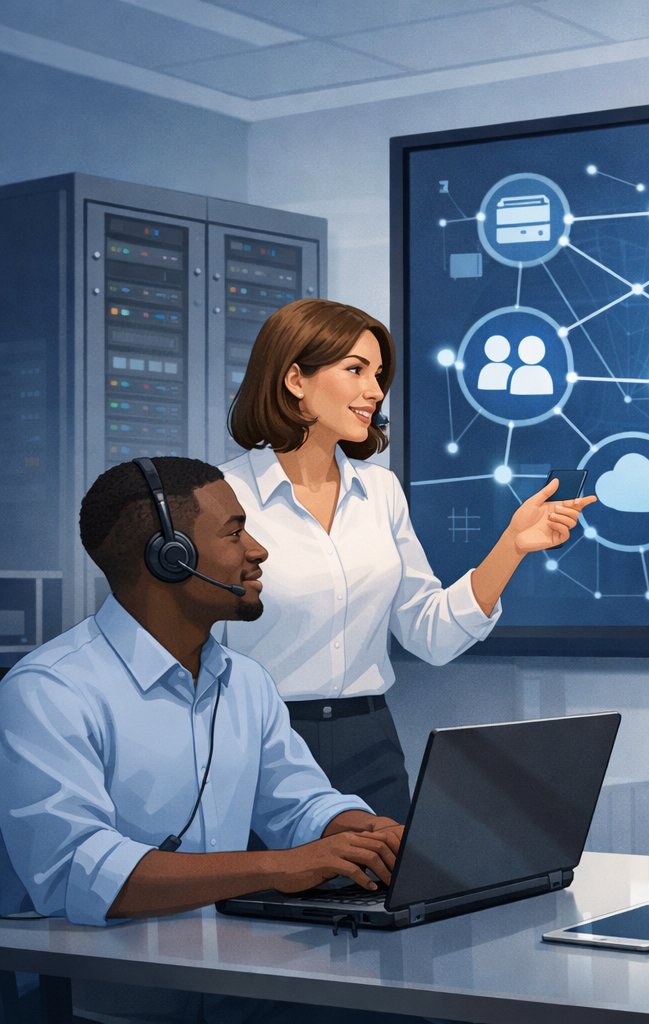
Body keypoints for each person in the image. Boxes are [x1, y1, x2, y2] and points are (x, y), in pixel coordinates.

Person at [0, 458, 409, 1021]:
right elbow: (77, 869)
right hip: (108, 1007)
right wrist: (278, 867)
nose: (259, 551)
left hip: (240, 985)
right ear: (170, 558)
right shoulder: (50, 689)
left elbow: (301, 803)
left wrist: (366, 833)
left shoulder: (245, 682)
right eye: (235, 532)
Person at [221, 299, 594, 821]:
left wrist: (511, 546)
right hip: (260, 745)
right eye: (355, 370)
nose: (375, 391)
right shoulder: (219, 494)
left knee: (386, 897)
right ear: (295, 379)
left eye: (377, 374)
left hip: (369, 744)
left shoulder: (381, 491)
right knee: (265, 901)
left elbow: (430, 634)